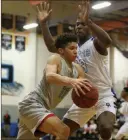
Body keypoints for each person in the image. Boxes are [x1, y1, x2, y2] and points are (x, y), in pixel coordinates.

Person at [37, 0, 117, 139]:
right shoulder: (71, 49)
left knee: (105, 129)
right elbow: (51, 46)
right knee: (59, 133)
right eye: (77, 25)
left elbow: (108, 42)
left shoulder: (95, 44)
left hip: (103, 94)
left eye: (83, 24)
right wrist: (44, 24)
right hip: (82, 96)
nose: (79, 26)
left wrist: (90, 22)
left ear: (89, 27)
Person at [17, 33, 92, 140]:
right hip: (32, 104)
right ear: (61, 50)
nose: (76, 51)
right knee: (64, 130)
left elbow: (83, 87)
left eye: (76, 48)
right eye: (71, 48)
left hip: (43, 108)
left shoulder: (78, 69)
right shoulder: (56, 59)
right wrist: (71, 81)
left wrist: (88, 95)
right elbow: (50, 76)